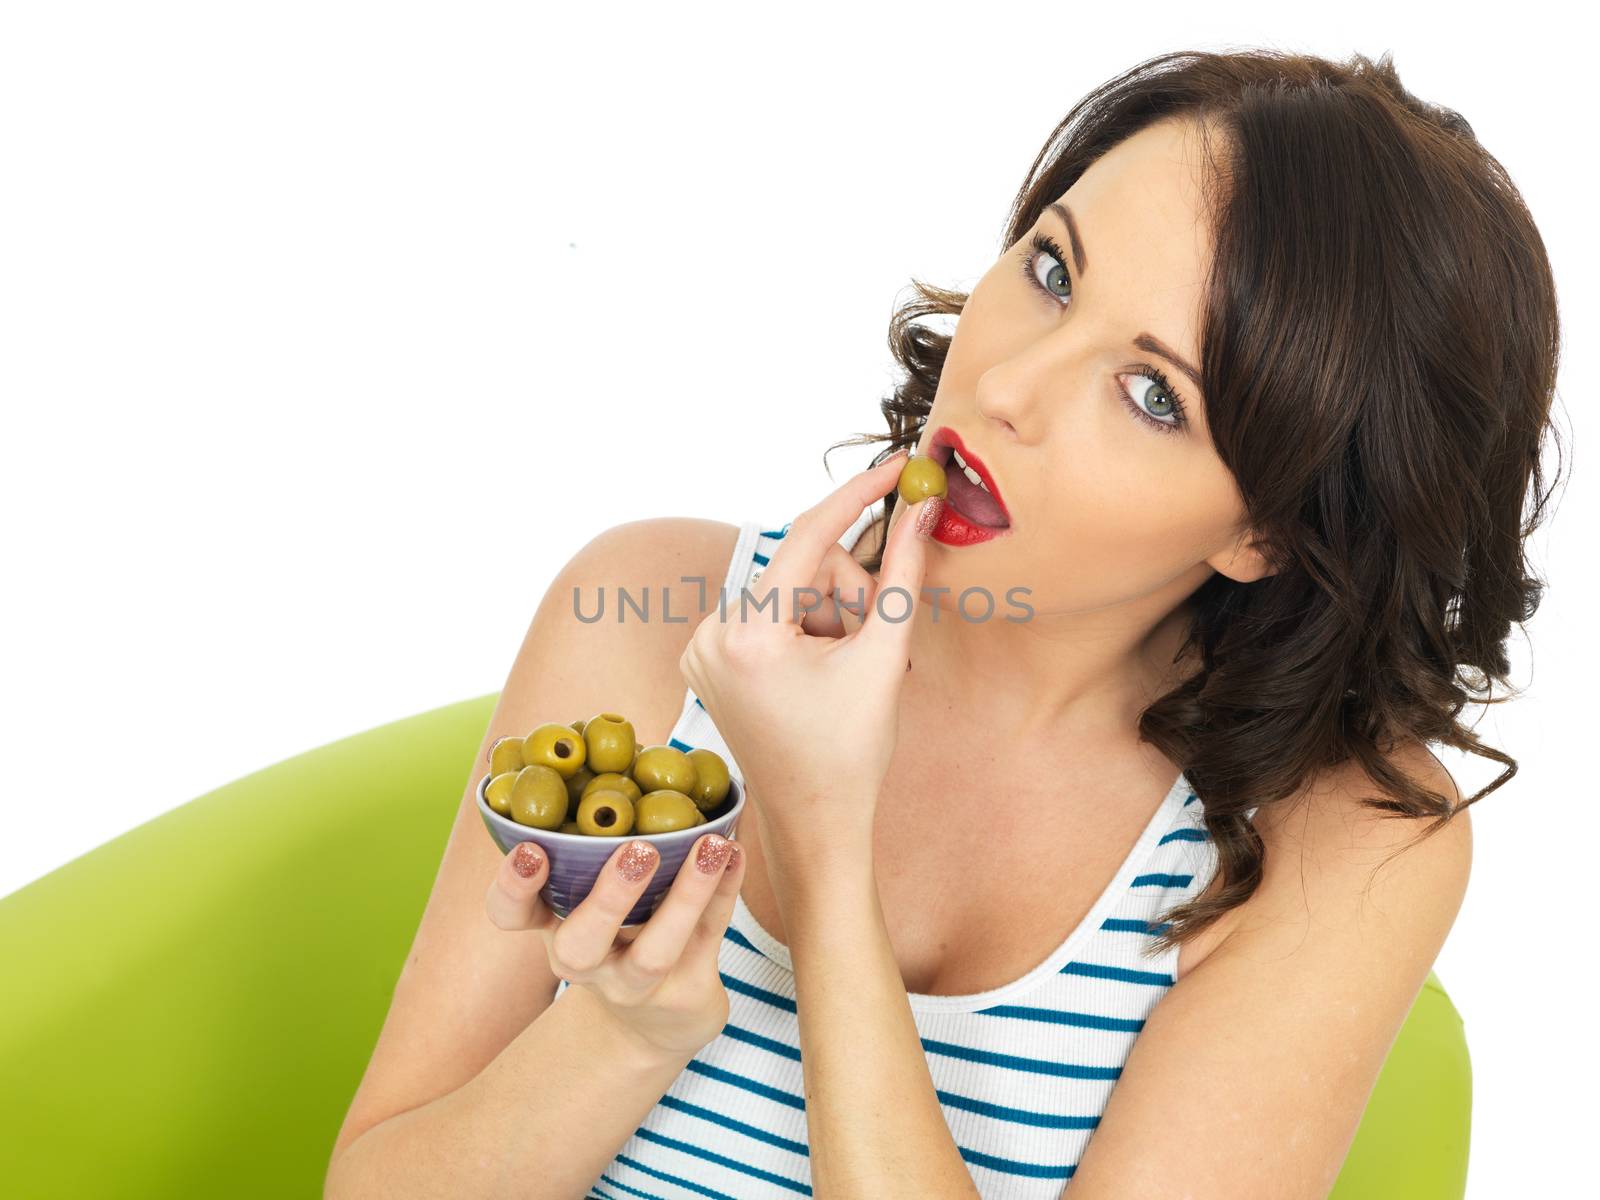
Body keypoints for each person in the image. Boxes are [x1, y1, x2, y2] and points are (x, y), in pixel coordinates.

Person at [325, 47, 1563, 1200]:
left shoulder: (1339, 840)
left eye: (1148, 393)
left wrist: (822, 848)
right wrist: (623, 1029)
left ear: (1269, 530)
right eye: (1052, 270)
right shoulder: (655, 618)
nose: (1006, 386)